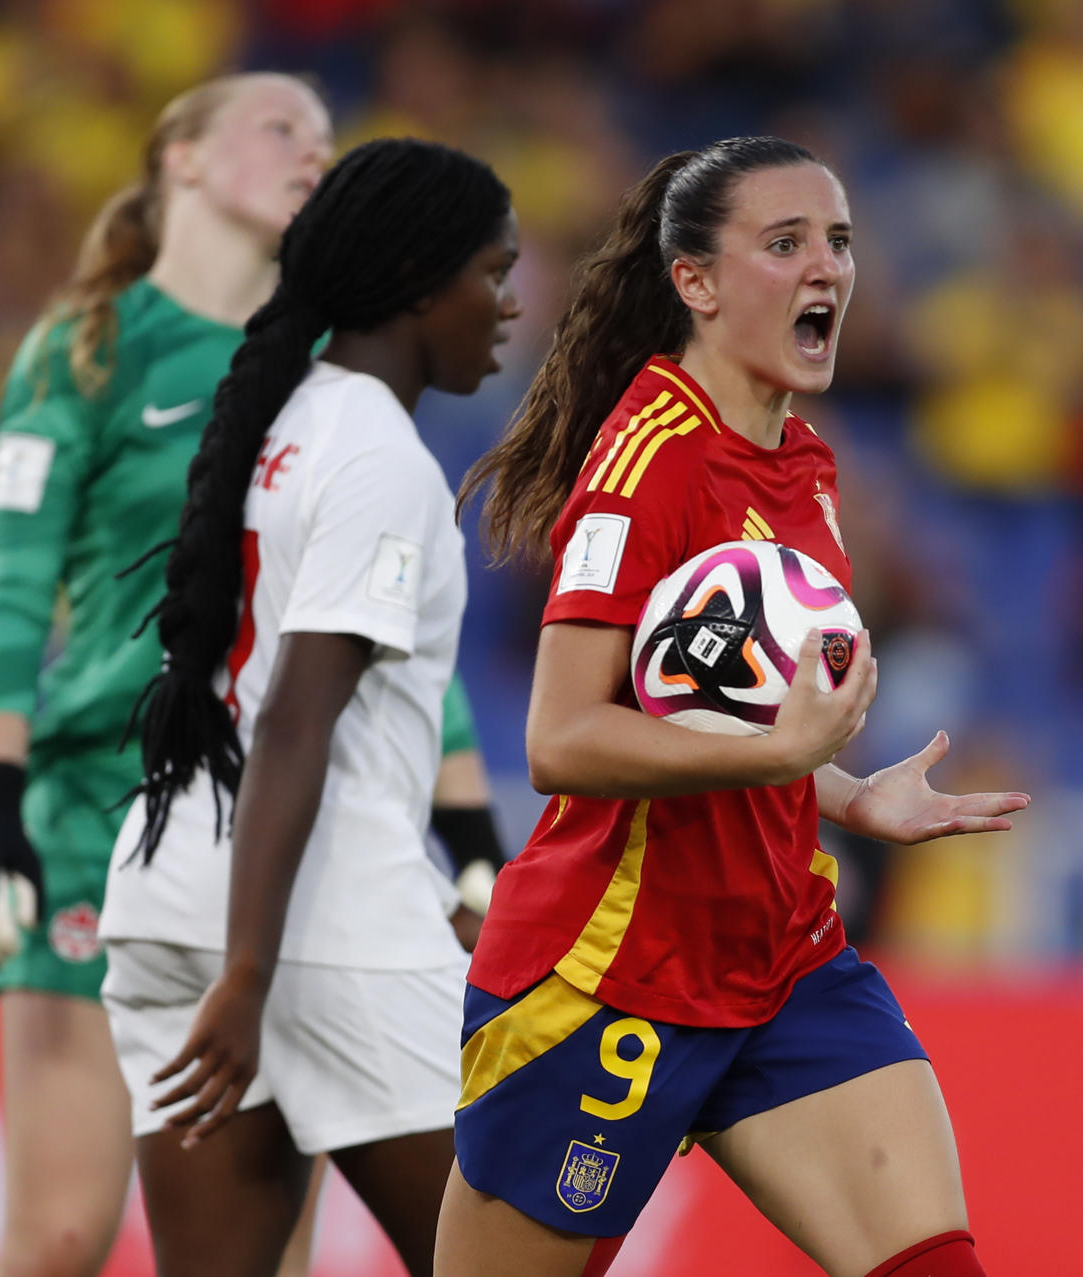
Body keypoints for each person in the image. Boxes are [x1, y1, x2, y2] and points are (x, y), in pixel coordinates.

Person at [440, 138, 1030, 1277]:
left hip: (785, 961)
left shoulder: (804, 460)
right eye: (786, 243)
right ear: (696, 283)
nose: (829, 268)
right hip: (614, 982)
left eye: (840, 241)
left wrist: (846, 789)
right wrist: (783, 754)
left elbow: (730, 717)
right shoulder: (645, 464)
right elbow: (561, 739)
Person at [0, 73, 338, 1277]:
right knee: (59, 1236)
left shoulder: (335, 371)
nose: (315, 151)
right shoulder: (85, 347)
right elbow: (12, 596)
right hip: (96, 811)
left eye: (326, 136)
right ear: (187, 162)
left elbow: (385, 605)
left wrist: (457, 812)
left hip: (274, 831)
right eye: (280, 129)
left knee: (254, 1258)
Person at [97, 137, 519, 1277]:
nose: (510, 302)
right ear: (422, 283)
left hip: (171, 888)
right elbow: (296, 716)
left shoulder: (273, 421)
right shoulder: (380, 458)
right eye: (493, 270)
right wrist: (252, 971)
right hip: (304, 920)